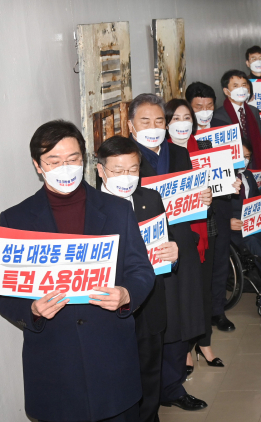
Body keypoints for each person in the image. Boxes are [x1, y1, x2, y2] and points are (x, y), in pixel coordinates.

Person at [0, 120, 155, 422]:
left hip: (111, 361)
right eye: (53, 161)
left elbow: (140, 270)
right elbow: (4, 290)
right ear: (38, 165)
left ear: (83, 159)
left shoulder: (116, 210)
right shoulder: (12, 221)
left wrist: (126, 294)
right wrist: (30, 309)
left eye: (72, 159)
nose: (64, 167)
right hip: (54, 366)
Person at [128, 93, 209, 411]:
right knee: (153, 321)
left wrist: (203, 199)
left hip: (181, 246)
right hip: (146, 250)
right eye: (145, 121)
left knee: (182, 316)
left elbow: (189, 198)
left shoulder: (179, 153)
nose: (153, 127)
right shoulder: (125, 159)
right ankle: (148, 390)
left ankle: (172, 387)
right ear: (131, 125)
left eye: (159, 121)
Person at [97, 136, 178, 422]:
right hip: (108, 310)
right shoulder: (89, 208)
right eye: (118, 171)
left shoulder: (150, 199)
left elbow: (166, 241)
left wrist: (173, 253)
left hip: (150, 305)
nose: (126, 177)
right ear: (100, 170)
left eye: (133, 170)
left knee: (149, 374)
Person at [165, 98, 232, 371]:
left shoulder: (205, 146)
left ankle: (205, 342)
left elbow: (222, 180)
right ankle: (185, 348)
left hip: (208, 224)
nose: (183, 124)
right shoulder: (163, 156)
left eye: (187, 118)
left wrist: (229, 184)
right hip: (180, 232)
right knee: (184, 291)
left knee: (203, 287)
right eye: (176, 119)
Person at [208, 70, 261, 331]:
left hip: (253, 193)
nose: (242, 89)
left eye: (245, 84)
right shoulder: (218, 119)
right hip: (231, 218)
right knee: (254, 240)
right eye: (236, 85)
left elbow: (260, 145)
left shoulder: (253, 112)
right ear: (225, 90)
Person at [230, 143, 261, 266]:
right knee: (253, 241)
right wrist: (227, 222)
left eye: (247, 156)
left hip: (253, 223)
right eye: (240, 155)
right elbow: (216, 208)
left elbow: (255, 200)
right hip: (234, 228)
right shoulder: (223, 178)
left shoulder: (248, 175)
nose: (244, 160)